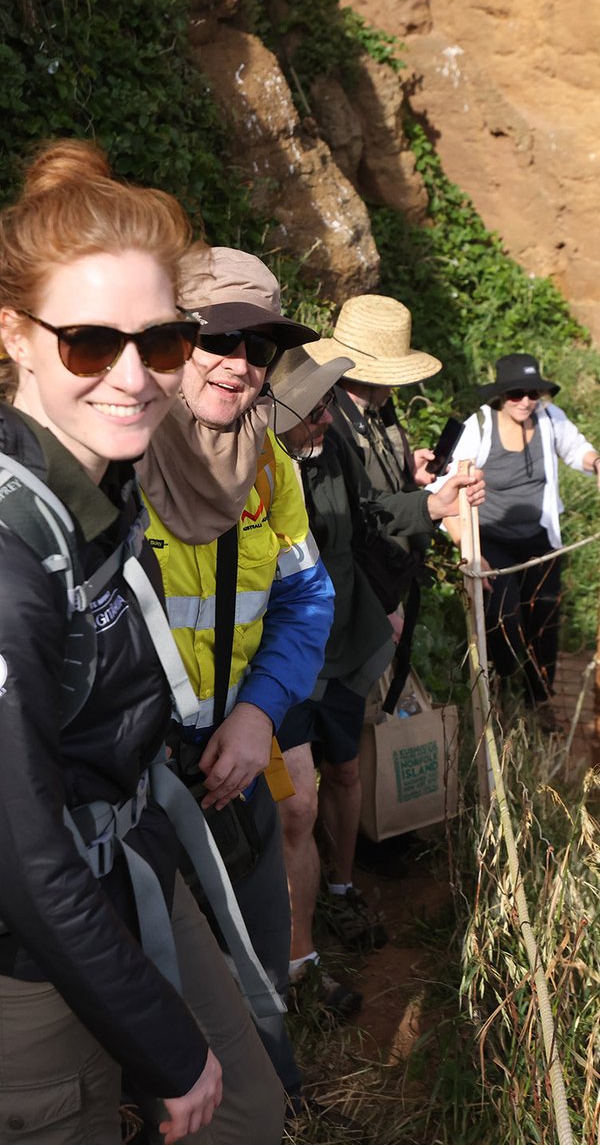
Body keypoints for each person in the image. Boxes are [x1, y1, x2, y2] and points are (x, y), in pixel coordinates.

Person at [0, 140, 283, 1145]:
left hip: (132, 858)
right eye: (86, 341)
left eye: (159, 342)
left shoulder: (104, 490)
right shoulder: (12, 550)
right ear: (16, 337)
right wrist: (165, 1050)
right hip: (30, 961)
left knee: (247, 1111)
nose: (132, 376)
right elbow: (21, 860)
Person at [136, 246, 335, 1111]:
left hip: (236, 766)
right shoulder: (114, 458)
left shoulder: (271, 470)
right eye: (216, 339)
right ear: (172, 342)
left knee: (254, 960)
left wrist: (259, 715)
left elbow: (306, 599)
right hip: (130, 786)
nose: (239, 364)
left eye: (260, 349)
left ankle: (267, 1103)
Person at [270, 346, 485, 1008]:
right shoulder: (256, 471)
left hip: (341, 641)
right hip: (278, 668)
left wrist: (431, 507)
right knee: (295, 806)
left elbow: (367, 519)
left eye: (328, 405)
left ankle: (339, 887)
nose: (325, 419)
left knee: (345, 772)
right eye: (313, 410)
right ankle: (298, 957)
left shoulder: (332, 451)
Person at [437, 352, 600, 718]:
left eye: (532, 393)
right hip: (491, 540)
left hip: (539, 539)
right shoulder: (479, 427)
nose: (525, 401)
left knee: (544, 622)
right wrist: (469, 548)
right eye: (515, 394)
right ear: (500, 396)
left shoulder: (549, 419)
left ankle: (538, 702)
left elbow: (576, 448)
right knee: (504, 620)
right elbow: (443, 489)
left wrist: (596, 462)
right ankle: (501, 691)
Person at [307, 292, 443, 697]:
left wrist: (409, 473)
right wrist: (382, 605)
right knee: (349, 722)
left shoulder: (377, 409)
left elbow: (374, 486)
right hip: (362, 593)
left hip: (383, 582)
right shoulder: (328, 424)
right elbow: (349, 520)